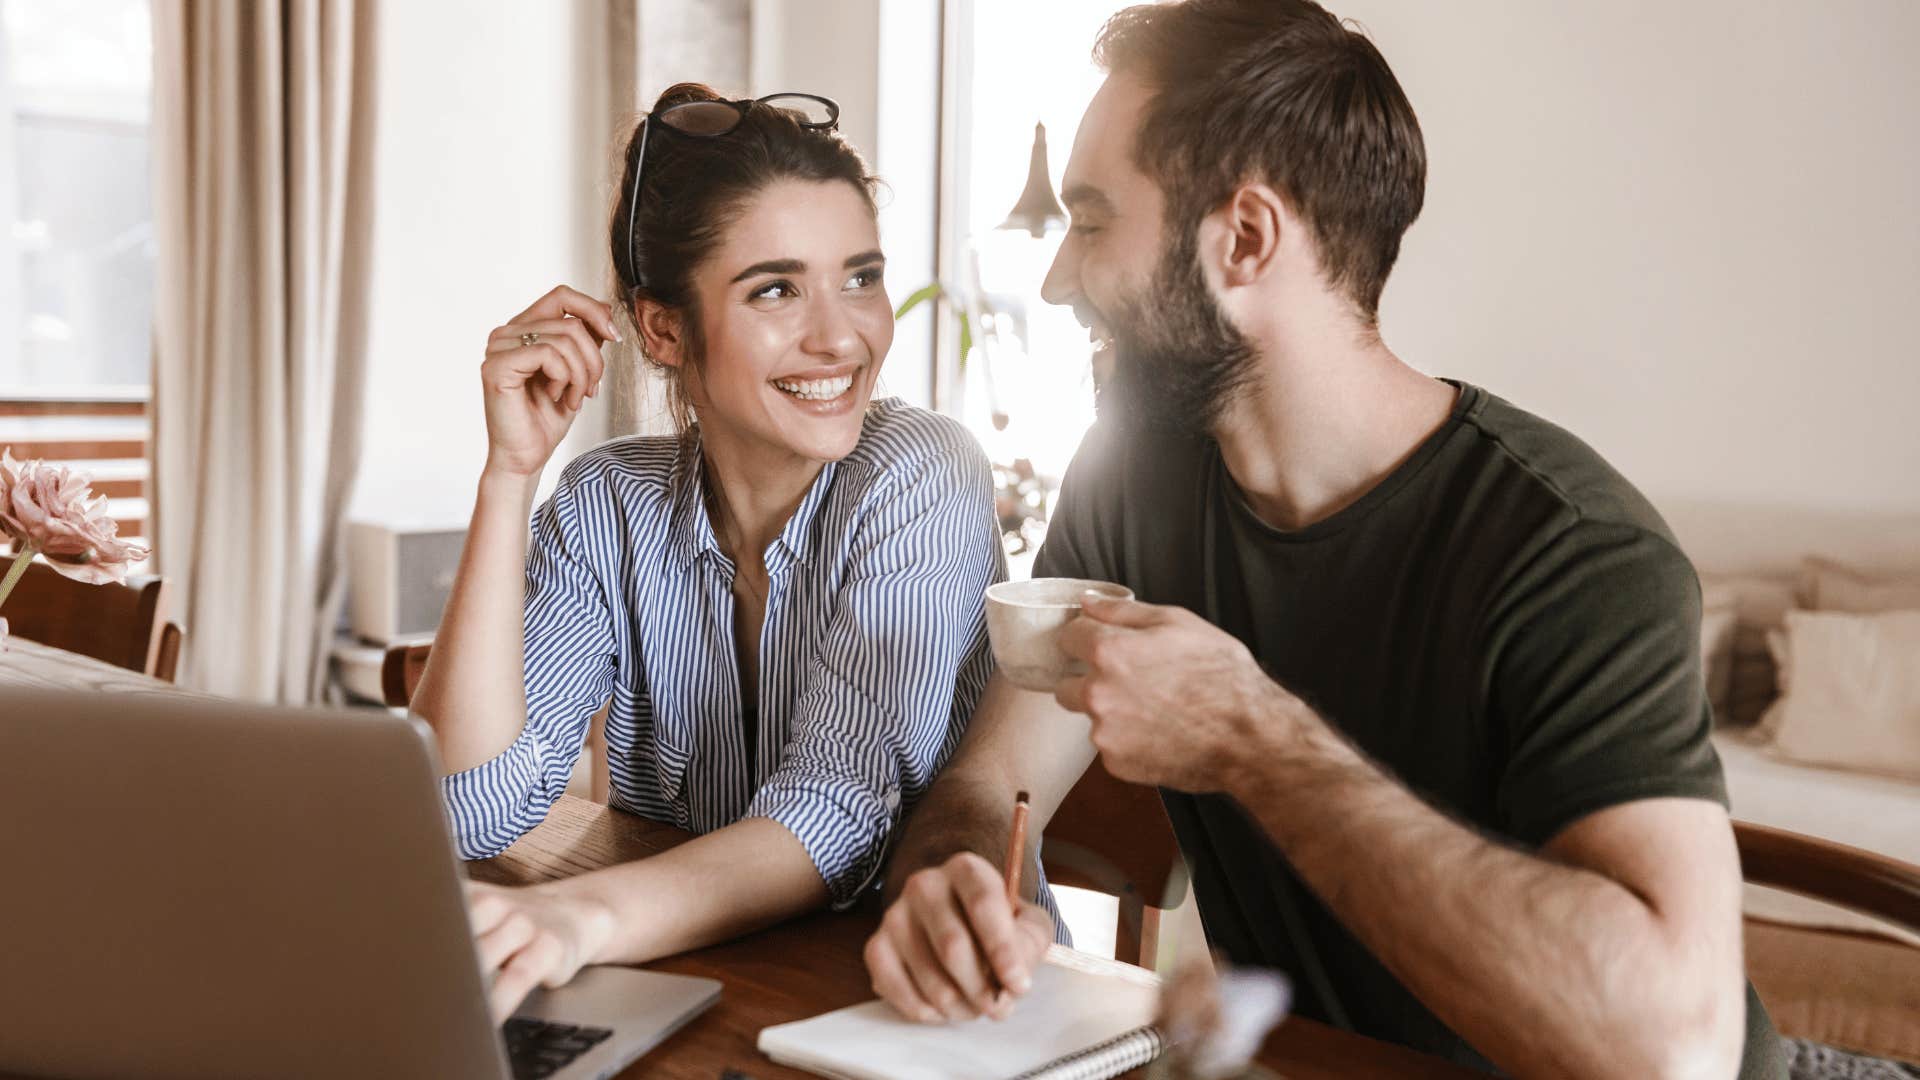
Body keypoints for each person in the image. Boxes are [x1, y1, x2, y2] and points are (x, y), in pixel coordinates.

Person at [861, 3, 1785, 1077]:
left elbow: (1677, 1049)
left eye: (1096, 220)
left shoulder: (1574, 554)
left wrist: (1254, 737)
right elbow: (990, 787)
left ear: (1245, 239)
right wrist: (955, 886)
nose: (1059, 278)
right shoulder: (1134, 479)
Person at [409, 83, 1003, 1021]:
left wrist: (578, 920)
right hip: (725, 991)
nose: (841, 334)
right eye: (775, 288)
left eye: (860, 276)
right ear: (663, 327)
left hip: (922, 1019)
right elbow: (467, 810)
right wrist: (510, 474)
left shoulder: (921, 475)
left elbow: (839, 812)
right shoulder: (607, 503)